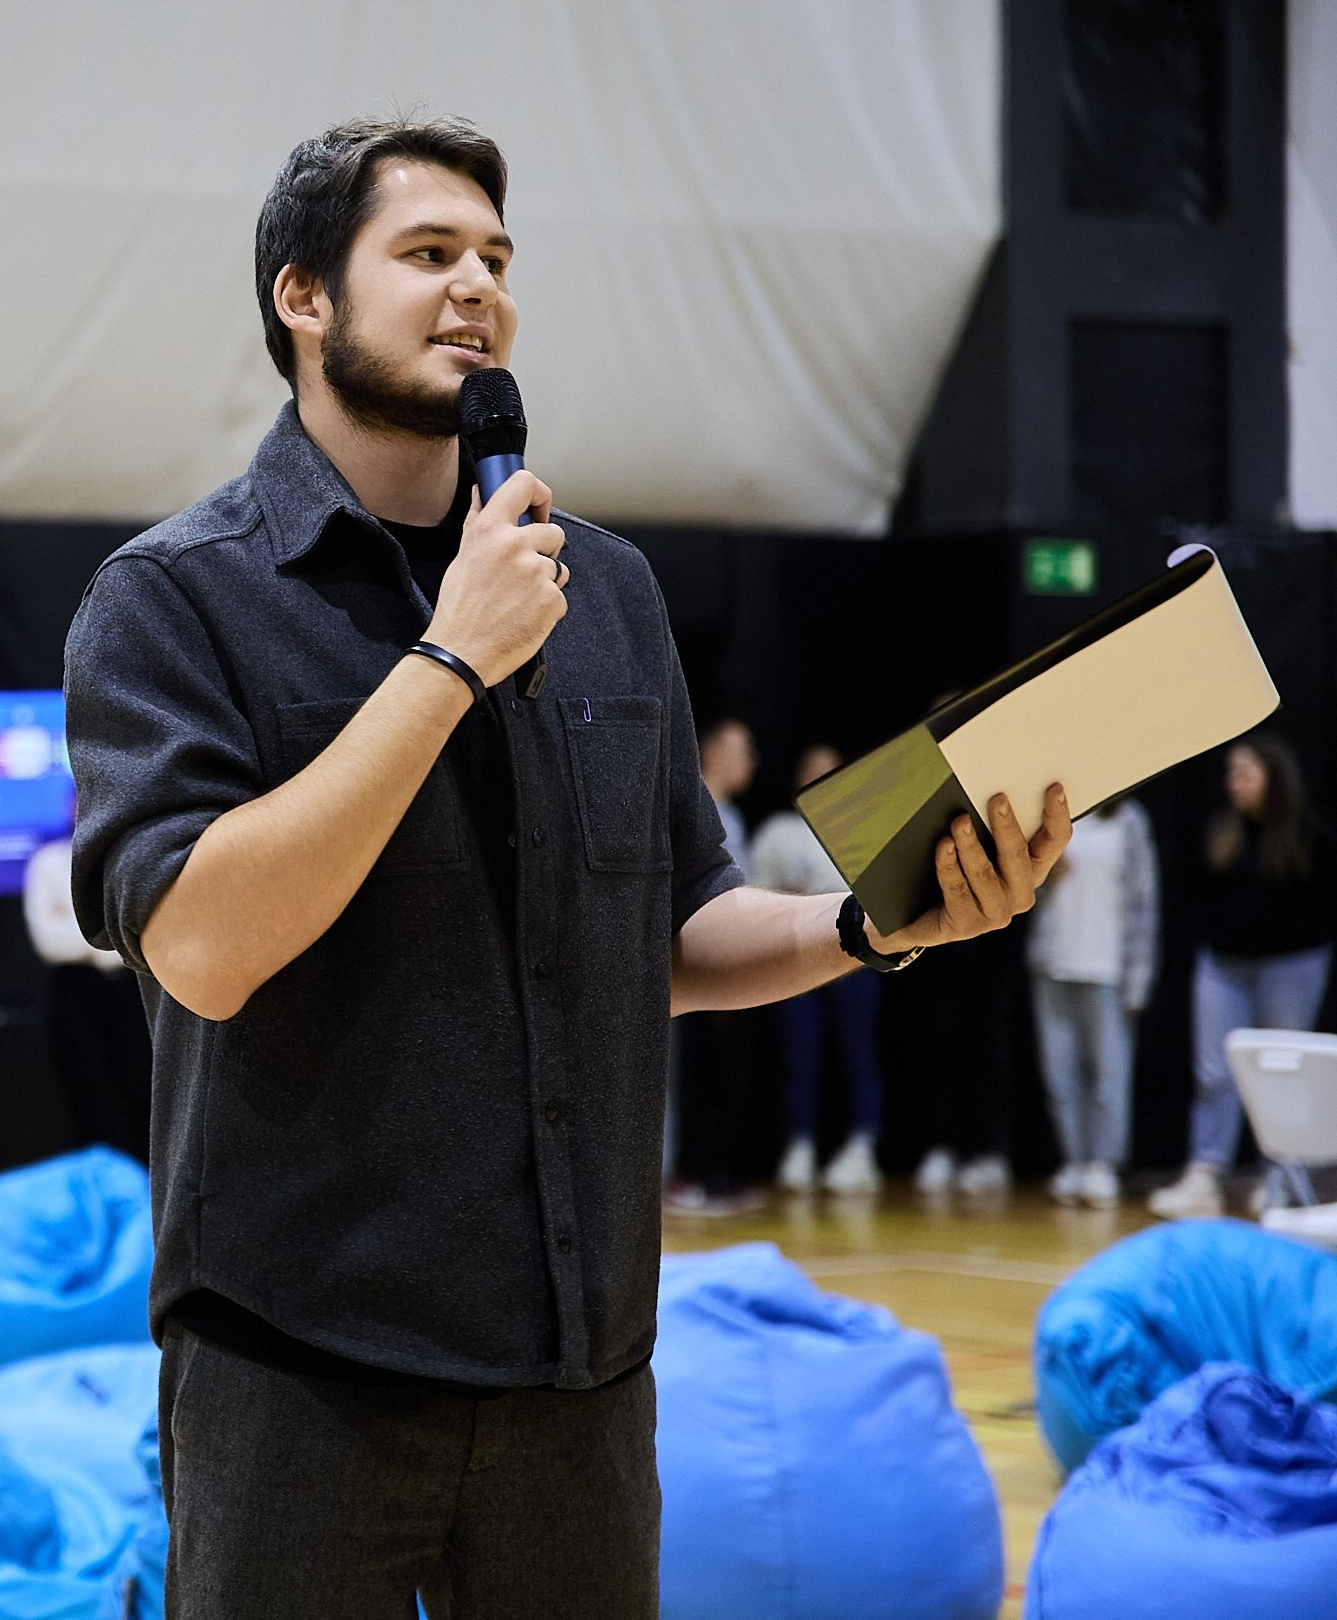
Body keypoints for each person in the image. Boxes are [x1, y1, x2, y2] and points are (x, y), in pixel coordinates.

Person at [63, 113, 1070, 1619]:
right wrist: (448, 657)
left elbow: (676, 926)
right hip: (302, 1377)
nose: (478, 286)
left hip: (581, 1375)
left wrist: (870, 924)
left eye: (496, 258)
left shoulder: (609, 591)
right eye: (427, 253)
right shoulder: (174, 599)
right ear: (303, 297)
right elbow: (203, 947)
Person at [1150, 734, 1337, 1218]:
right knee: (1214, 1073)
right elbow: (1197, 897)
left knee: (1282, 1071)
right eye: (1231, 774)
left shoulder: (1307, 839)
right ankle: (1203, 1175)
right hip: (1223, 966)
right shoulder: (1220, 833)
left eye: (1245, 774)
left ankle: (1281, 1177)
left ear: (1274, 779)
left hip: (1291, 966)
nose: (1234, 784)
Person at [749, 746, 884, 1196]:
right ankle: (799, 1146)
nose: (820, 779)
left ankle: (861, 1146)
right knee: (798, 1052)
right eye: (812, 772)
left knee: (857, 1050)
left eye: (830, 773)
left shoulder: (860, 828)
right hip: (795, 954)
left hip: (855, 956)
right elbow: (750, 893)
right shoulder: (778, 832)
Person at [1027, 795, 1158, 1209]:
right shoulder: (1057, 817)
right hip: (1054, 963)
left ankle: (1104, 1164)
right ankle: (1075, 1161)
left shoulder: (1129, 820)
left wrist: (1138, 977)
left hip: (1106, 967)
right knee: (1060, 1075)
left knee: (1108, 1075)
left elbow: (1144, 900)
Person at [663, 718, 767, 1215]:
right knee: (701, 1075)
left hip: (735, 963)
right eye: (740, 749)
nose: (750, 761)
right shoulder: (697, 811)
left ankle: (718, 1175)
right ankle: (696, 1176)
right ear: (711, 753)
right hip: (699, 962)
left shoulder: (736, 816)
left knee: (729, 1075)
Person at [26, 833, 154, 1161]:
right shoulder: (49, 860)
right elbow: (48, 940)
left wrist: (89, 938)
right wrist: (114, 946)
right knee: (91, 1097)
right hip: (80, 994)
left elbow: (150, 923)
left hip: (135, 990)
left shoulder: (134, 854)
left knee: (146, 1098)